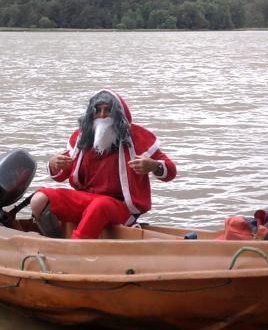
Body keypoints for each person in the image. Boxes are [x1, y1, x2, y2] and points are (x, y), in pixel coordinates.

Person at [30, 89, 177, 239]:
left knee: (100, 206)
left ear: (118, 114)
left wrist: (154, 166)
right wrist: (54, 164)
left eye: (108, 111)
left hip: (121, 207)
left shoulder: (139, 137)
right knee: (39, 199)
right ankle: (54, 242)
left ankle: (75, 248)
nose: (102, 115)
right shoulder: (81, 137)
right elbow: (61, 176)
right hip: (85, 198)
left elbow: (170, 172)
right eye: (98, 111)